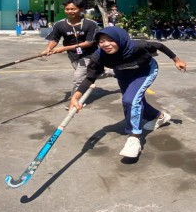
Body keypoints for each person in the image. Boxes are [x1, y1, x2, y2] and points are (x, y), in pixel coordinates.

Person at [69, 26, 187, 158]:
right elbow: (90, 77)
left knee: (130, 100)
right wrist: (75, 98)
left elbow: (159, 45)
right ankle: (160, 116)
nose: (106, 44)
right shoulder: (99, 56)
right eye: (101, 41)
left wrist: (177, 60)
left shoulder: (137, 46)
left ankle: (134, 137)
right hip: (123, 73)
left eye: (110, 40)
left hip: (145, 71)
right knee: (135, 100)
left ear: (120, 39)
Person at [43, 0, 99, 95]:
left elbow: (89, 42)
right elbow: (54, 39)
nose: (70, 11)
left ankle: (74, 102)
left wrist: (64, 48)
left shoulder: (91, 24)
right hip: (73, 55)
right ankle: (114, 72)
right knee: (90, 73)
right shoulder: (59, 24)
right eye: (67, 9)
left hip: (89, 55)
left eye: (73, 9)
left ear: (81, 9)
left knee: (78, 78)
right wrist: (48, 49)